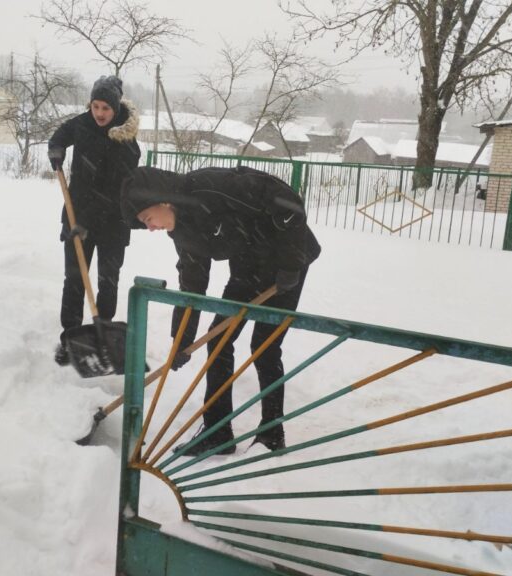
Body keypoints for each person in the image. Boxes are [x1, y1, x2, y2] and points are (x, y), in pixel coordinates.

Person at [120, 166, 321, 456]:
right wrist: (181, 341)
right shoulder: (182, 232)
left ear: (162, 200)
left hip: (286, 262)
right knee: (219, 341)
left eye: (147, 219)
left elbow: (286, 200)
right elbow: (192, 287)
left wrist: (290, 263)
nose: (150, 228)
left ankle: (272, 432)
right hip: (247, 267)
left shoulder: (210, 187)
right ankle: (217, 431)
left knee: (264, 346)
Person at [47, 75, 141, 365]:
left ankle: (104, 336)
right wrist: (56, 150)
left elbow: (115, 191)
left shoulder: (126, 141)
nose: (99, 113)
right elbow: (60, 135)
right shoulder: (82, 123)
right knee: (75, 279)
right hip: (77, 215)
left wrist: (87, 218)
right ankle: (71, 337)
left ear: (116, 108)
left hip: (112, 222)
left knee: (107, 280)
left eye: (106, 108)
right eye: (95, 106)